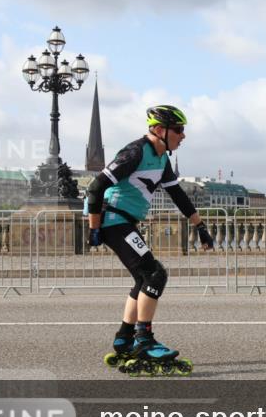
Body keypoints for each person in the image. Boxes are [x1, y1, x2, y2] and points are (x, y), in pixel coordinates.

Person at [86, 105, 214, 376]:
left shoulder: (161, 159)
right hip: (113, 219)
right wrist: (94, 229)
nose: (183, 136)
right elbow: (95, 187)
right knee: (155, 274)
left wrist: (200, 226)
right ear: (159, 130)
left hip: (124, 221)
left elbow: (178, 194)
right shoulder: (135, 152)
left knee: (144, 279)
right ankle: (144, 340)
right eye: (179, 130)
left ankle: (124, 338)